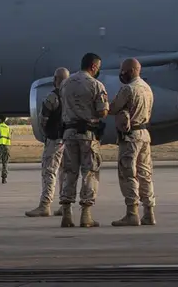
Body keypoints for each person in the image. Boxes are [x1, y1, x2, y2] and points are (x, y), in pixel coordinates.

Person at [59, 53, 109, 228]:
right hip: (88, 135)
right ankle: (86, 214)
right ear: (94, 66)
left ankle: (66, 213)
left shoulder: (65, 83)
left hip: (69, 133)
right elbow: (102, 111)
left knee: (69, 172)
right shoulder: (96, 85)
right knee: (89, 172)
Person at [109, 58, 156, 227]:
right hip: (144, 134)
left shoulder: (128, 89)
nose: (121, 73)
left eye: (124, 70)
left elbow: (112, 108)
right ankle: (149, 212)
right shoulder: (147, 88)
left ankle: (132, 213)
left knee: (128, 173)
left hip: (131, 136)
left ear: (131, 70)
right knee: (145, 174)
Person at [26, 67, 70, 217]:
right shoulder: (73, 96)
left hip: (55, 139)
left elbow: (43, 118)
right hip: (69, 140)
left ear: (56, 80)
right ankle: (65, 205)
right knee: (65, 173)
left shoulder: (53, 97)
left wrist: (46, 133)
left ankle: (45, 205)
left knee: (49, 171)